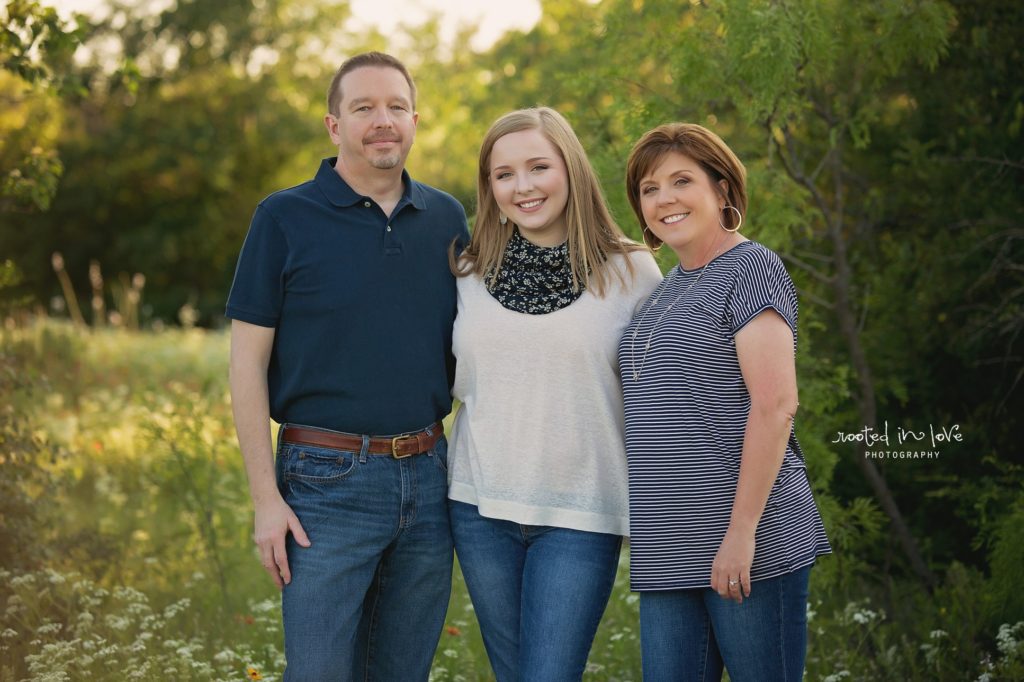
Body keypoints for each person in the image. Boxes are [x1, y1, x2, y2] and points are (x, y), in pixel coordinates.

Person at [226, 51, 469, 681]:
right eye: (363, 107)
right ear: (335, 125)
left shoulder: (447, 218)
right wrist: (264, 500)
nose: (381, 120)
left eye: (395, 107)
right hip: (322, 485)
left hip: (428, 474)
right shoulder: (282, 217)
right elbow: (246, 366)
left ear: (415, 119)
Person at [446, 107, 663, 681]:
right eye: (504, 174)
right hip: (478, 505)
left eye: (539, 166)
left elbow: (672, 393)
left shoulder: (631, 270)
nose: (523, 186)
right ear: (489, 188)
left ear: (570, 169)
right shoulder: (466, 271)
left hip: (581, 511)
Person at [618, 122, 832, 681]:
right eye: (648, 188)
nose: (663, 198)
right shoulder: (664, 288)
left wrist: (741, 534)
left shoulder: (751, 269)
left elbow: (776, 405)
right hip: (668, 550)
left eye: (681, 180)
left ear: (722, 190)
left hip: (746, 543)